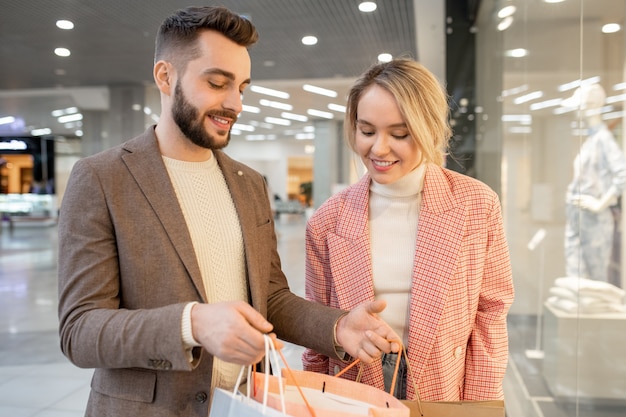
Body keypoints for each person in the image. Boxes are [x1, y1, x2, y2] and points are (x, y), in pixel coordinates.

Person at [57, 6, 399, 417]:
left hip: (244, 405)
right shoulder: (102, 178)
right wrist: (193, 324)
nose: (234, 103)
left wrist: (338, 327)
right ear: (165, 77)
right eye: (218, 83)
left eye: (242, 87)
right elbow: (80, 330)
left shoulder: (249, 184)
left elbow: (269, 298)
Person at [303, 58, 515, 401]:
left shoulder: (477, 204)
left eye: (399, 133)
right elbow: (319, 328)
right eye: (367, 131)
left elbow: (490, 313)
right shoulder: (329, 220)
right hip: (355, 385)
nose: (379, 149)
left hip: (443, 384)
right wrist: (310, 399)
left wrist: (481, 403)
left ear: (429, 128)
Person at [564, 83, 626, 283]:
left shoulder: (603, 139)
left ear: (590, 105)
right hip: (579, 214)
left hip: (595, 219)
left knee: (596, 276)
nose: (576, 111)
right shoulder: (591, 140)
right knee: (575, 274)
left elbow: (622, 173)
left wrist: (601, 204)